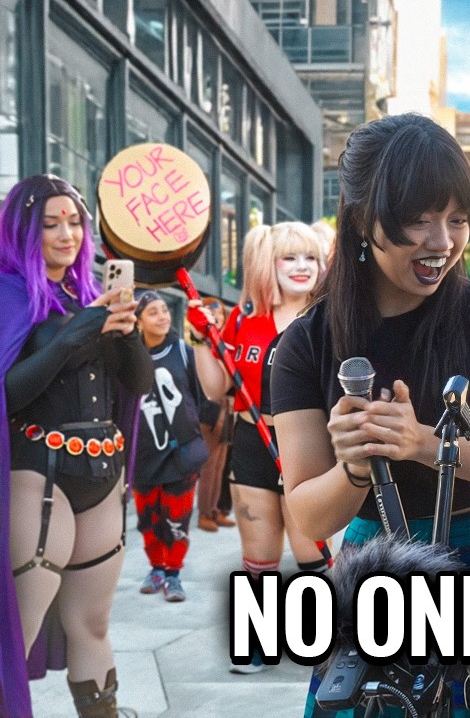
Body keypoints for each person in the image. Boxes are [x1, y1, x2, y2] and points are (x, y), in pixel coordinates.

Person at [270, 112, 470, 716]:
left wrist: (428, 444)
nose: (442, 242)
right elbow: (306, 511)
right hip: (378, 566)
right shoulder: (304, 345)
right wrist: (354, 466)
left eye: (458, 219)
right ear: (360, 220)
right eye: (418, 219)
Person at [0, 174, 151, 718]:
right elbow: (8, 393)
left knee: (92, 624)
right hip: (37, 475)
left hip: (100, 476)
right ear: (23, 231)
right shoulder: (8, 294)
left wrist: (126, 330)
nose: (67, 234)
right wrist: (73, 336)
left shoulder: (91, 293)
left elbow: (137, 387)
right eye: (50, 224)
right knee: (15, 632)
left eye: (75, 222)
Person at [188, 221, 330, 673]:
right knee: (259, 550)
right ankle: (257, 642)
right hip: (251, 439)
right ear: (269, 264)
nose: (302, 267)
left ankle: (321, 642)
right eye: (290, 257)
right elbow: (215, 389)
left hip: (307, 444)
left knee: (313, 553)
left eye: (310, 257)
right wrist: (199, 339)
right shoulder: (243, 319)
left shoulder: (330, 319)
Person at [130, 291, 212, 603]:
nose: (163, 316)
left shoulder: (182, 350)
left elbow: (200, 393)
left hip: (182, 452)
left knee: (177, 517)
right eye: (153, 312)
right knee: (149, 517)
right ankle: (156, 568)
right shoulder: (130, 357)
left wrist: (194, 429)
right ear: (138, 321)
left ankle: (174, 573)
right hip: (143, 454)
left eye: (165, 310)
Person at [190, 296, 236, 533]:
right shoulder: (201, 344)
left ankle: (215, 509)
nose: (215, 318)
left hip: (227, 410)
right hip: (208, 411)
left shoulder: (224, 342)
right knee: (209, 465)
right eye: (211, 314)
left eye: (219, 314)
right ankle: (204, 514)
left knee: (220, 465)